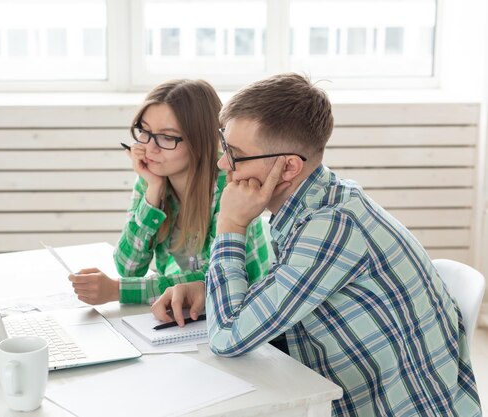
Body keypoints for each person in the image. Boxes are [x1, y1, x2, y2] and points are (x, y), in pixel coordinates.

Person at [156, 73, 482, 416]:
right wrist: (209, 291)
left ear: (288, 167)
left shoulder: (332, 225)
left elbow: (227, 338)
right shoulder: (321, 201)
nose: (224, 165)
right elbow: (276, 295)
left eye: (235, 155)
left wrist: (231, 226)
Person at [68, 79, 271, 321]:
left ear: (199, 140)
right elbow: (129, 267)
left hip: (243, 317)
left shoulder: (229, 184)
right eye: (144, 132)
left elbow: (215, 280)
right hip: (187, 315)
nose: (150, 149)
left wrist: (118, 290)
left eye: (166, 137)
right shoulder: (153, 177)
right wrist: (153, 191)